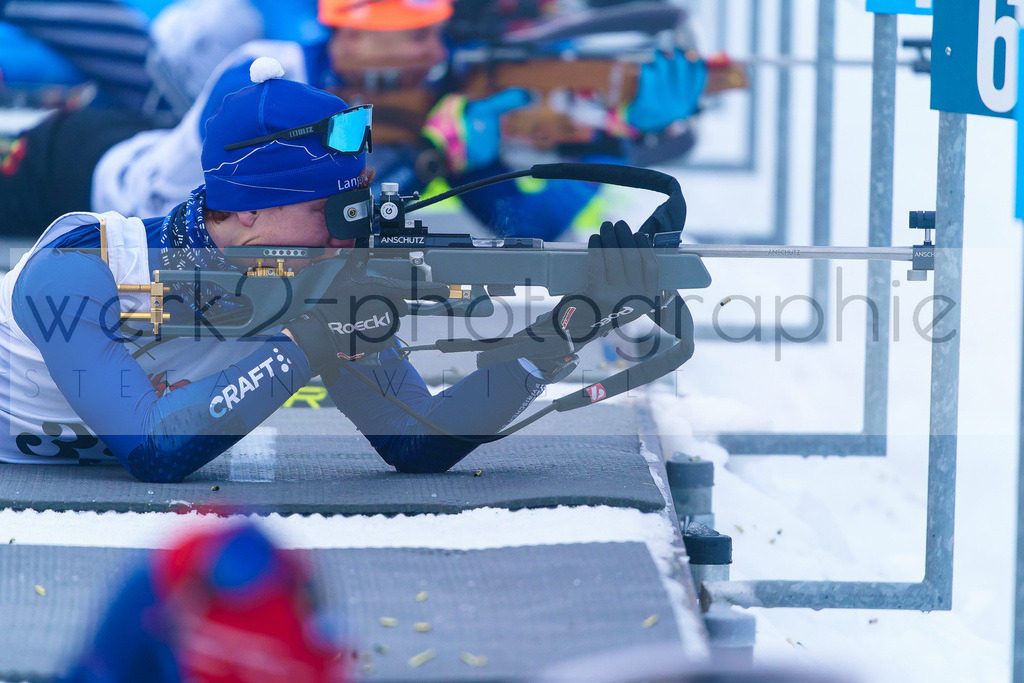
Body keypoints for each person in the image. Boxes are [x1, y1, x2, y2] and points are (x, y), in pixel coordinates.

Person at [0, 60, 678, 483]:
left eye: (358, 206)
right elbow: (152, 449)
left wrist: (572, 323)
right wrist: (312, 338)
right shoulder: (77, 269)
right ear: (247, 211)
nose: (349, 232)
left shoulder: (314, 275)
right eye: (331, 210)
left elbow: (418, 440)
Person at [0, 0, 707, 239]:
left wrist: (623, 136)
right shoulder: (266, 72)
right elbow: (252, 196)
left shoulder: (436, 105)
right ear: (345, 34)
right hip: (84, 172)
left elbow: (533, 223)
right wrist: (431, 151)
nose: (424, 52)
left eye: (429, 34)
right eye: (401, 36)